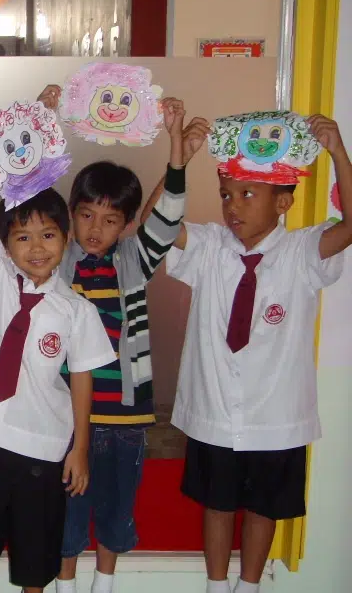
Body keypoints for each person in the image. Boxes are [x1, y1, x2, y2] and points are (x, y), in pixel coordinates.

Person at [166, 115, 352, 593]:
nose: (233, 207)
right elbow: (158, 226)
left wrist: (337, 153)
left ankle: (248, 586)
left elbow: (351, 226)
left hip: (277, 413)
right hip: (215, 410)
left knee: (264, 507)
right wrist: (178, 160)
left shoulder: (302, 251)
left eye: (248, 194)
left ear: (283, 201)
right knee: (218, 504)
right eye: (227, 194)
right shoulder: (208, 245)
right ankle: (215, 585)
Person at [0, 110, 115, 593]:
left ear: (66, 239)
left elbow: (82, 377)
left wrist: (79, 448)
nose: (36, 248)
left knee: (35, 554)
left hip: (42, 443)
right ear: (6, 244)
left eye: (48, 235)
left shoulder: (75, 310)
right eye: (22, 237)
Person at [54, 95, 210, 593]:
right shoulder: (59, 263)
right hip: (64, 415)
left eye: (110, 220)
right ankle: (64, 584)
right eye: (85, 216)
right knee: (66, 516)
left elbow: (165, 218)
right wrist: (45, 115)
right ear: (71, 216)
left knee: (117, 512)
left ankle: (104, 584)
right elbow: (25, 197)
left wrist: (176, 150)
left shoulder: (131, 263)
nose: (95, 229)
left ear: (124, 227)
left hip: (124, 417)